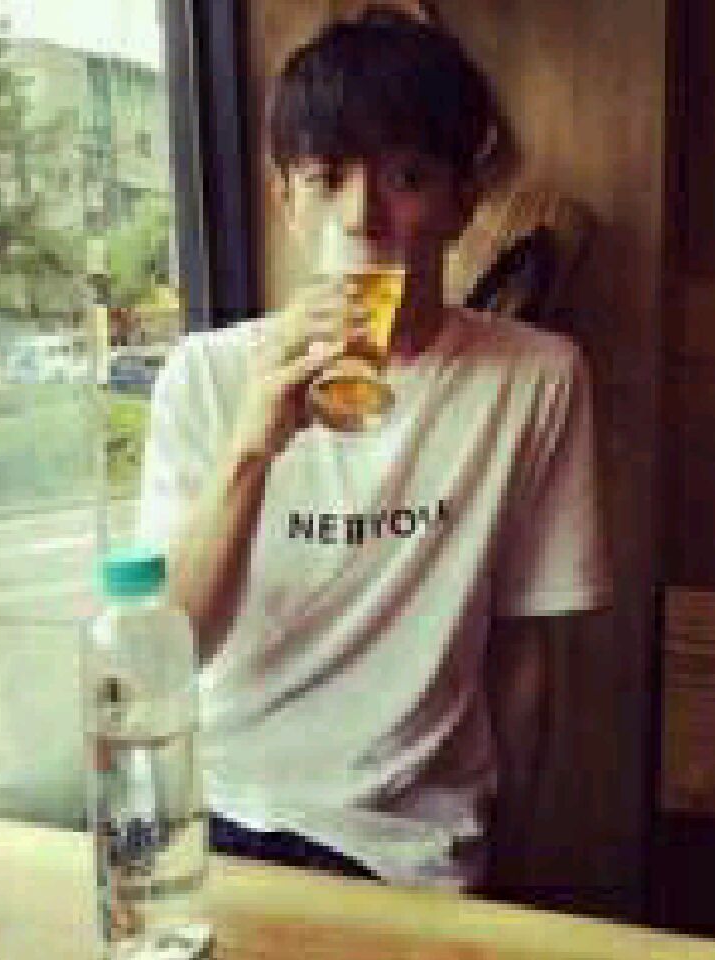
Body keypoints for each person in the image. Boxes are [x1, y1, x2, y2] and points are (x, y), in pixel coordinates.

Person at [138, 5, 612, 894]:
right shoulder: (206, 375)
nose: (362, 217)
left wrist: (515, 864)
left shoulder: (537, 378)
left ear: (460, 202)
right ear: (286, 202)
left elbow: (525, 653)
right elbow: (167, 652)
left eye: (405, 176)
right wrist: (250, 447)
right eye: (326, 179)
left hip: (410, 850)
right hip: (218, 818)